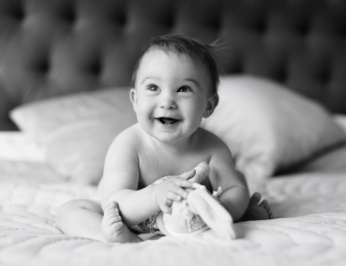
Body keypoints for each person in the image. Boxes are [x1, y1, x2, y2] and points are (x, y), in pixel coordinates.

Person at [56, 34, 270, 243]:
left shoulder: (214, 148)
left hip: (187, 216)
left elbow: (235, 189)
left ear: (208, 106)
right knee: (70, 211)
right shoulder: (129, 145)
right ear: (135, 100)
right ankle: (117, 237)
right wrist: (155, 196)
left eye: (184, 89)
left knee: (238, 181)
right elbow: (115, 201)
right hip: (132, 218)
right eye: (153, 88)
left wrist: (222, 209)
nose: (167, 101)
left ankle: (232, 217)